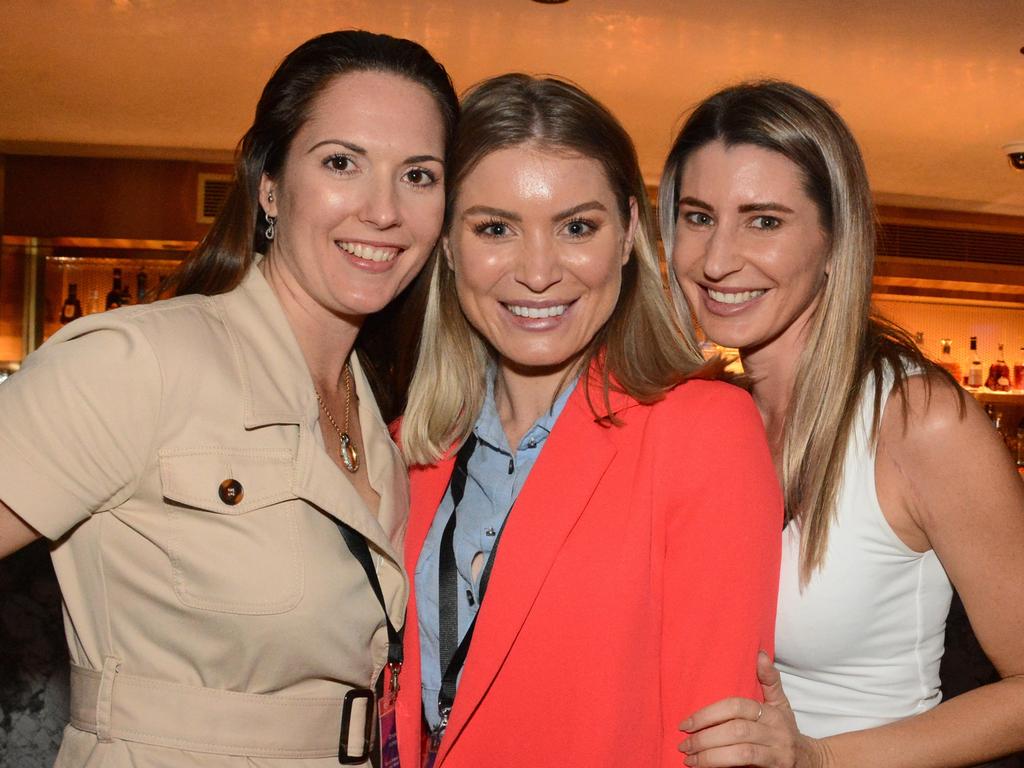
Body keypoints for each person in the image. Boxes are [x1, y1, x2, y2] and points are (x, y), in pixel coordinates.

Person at [0, 30, 457, 767]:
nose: (383, 210)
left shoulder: (389, 415)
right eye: (342, 162)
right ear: (269, 185)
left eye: (419, 175)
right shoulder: (141, 363)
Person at [395, 73, 783, 768]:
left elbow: (715, 739)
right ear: (447, 245)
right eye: (495, 228)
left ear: (630, 232)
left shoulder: (705, 431)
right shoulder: (410, 449)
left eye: (577, 227)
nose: (539, 271)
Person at [659, 80, 1024, 767]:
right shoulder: (703, 413)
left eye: (764, 220)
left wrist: (816, 757)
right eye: (698, 216)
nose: (715, 260)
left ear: (833, 238)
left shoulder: (917, 421)